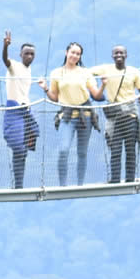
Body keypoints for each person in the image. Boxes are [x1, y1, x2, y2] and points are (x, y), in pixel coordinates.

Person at [43, 42, 103, 186]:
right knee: (63, 150)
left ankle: (80, 184)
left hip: (85, 116)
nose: (75, 56)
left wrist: (104, 85)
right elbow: (55, 97)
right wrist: (45, 89)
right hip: (67, 116)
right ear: (66, 52)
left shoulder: (85, 72)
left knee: (82, 153)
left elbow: (95, 94)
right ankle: (62, 185)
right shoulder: (56, 73)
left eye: (78, 54)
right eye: (73, 52)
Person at [96, 44, 140, 183]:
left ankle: (130, 179)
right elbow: (85, 73)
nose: (118, 55)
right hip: (115, 117)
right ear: (112, 56)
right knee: (115, 149)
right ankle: (115, 179)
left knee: (130, 148)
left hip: (130, 115)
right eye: (116, 53)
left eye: (121, 53)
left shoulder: (134, 72)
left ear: (126, 55)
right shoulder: (106, 69)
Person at [0, 31, 39, 188]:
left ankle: (19, 185)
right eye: (26, 54)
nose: (29, 56)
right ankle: (18, 186)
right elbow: (5, 60)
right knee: (18, 147)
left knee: (25, 148)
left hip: (26, 111)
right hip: (14, 109)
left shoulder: (29, 70)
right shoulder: (14, 66)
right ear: (21, 55)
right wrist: (5, 46)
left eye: (32, 54)